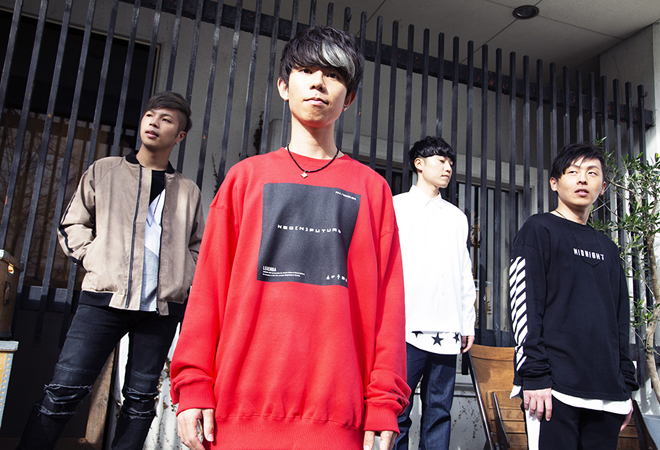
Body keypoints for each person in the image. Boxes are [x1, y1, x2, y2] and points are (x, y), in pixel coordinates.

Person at [171, 25, 410, 450]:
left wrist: (383, 403)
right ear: (283, 87)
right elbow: (208, 289)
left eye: (333, 74)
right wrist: (192, 385)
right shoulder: (245, 179)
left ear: (349, 98)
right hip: (236, 413)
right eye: (306, 71)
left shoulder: (372, 189)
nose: (319, 82)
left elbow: (389, 307)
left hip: (338, 418)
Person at [17, 91, 205, 450]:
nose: (154, 123)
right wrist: (94, 258)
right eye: (150, 115)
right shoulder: (105, 171)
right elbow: (73, 223)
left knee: (140, 401)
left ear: (180, 135)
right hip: (103, 300)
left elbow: (198, 245)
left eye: (166, 119)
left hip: (160, 310)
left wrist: (183, 277)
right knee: (63, 391)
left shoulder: (188, 190)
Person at [509, 141, 638, 449]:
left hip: (608, 395)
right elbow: (525, 305)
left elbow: (620, 322)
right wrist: (534, 375)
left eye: (592, 173)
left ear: (603, 187)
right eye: (573, 172)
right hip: (554, 390)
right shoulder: (539, 229)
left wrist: (625, 387)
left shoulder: (609, 248)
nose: (583, 179)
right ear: (554, 182)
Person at [392, 136, 476, 450]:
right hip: (406, 326)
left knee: (439, 410)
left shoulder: (457, 217)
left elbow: (464, 272)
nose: (448, 168)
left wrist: (467, 322)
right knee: (398, 409)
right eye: (441, 161)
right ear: (419, 163)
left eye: (450, 163)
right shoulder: (397, 207)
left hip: (448, 329)